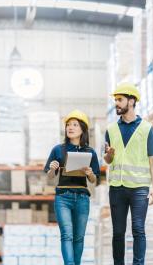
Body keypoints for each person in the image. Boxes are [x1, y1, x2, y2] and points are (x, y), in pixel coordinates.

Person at [103, 83, 153, 265]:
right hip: (117, 188)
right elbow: (108, 159)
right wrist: (109, 156)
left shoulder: (147, 129)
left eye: (119, 100)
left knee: (138, 229)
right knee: (118, 232)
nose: (116, 104)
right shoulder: (110, 129)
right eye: (115, 100)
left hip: (139, 188)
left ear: (132, 101)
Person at [44, 109, 100, 265]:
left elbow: (94, 179)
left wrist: (89, 173)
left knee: (79, 237)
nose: (70, 127)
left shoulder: (90, 152)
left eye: (75, 125)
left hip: (82, 198)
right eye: (68, 125)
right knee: (67, 235)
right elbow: (49, 177)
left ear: (82, 129)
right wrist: (52, 169)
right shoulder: (58, 150)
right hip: (63, 197)